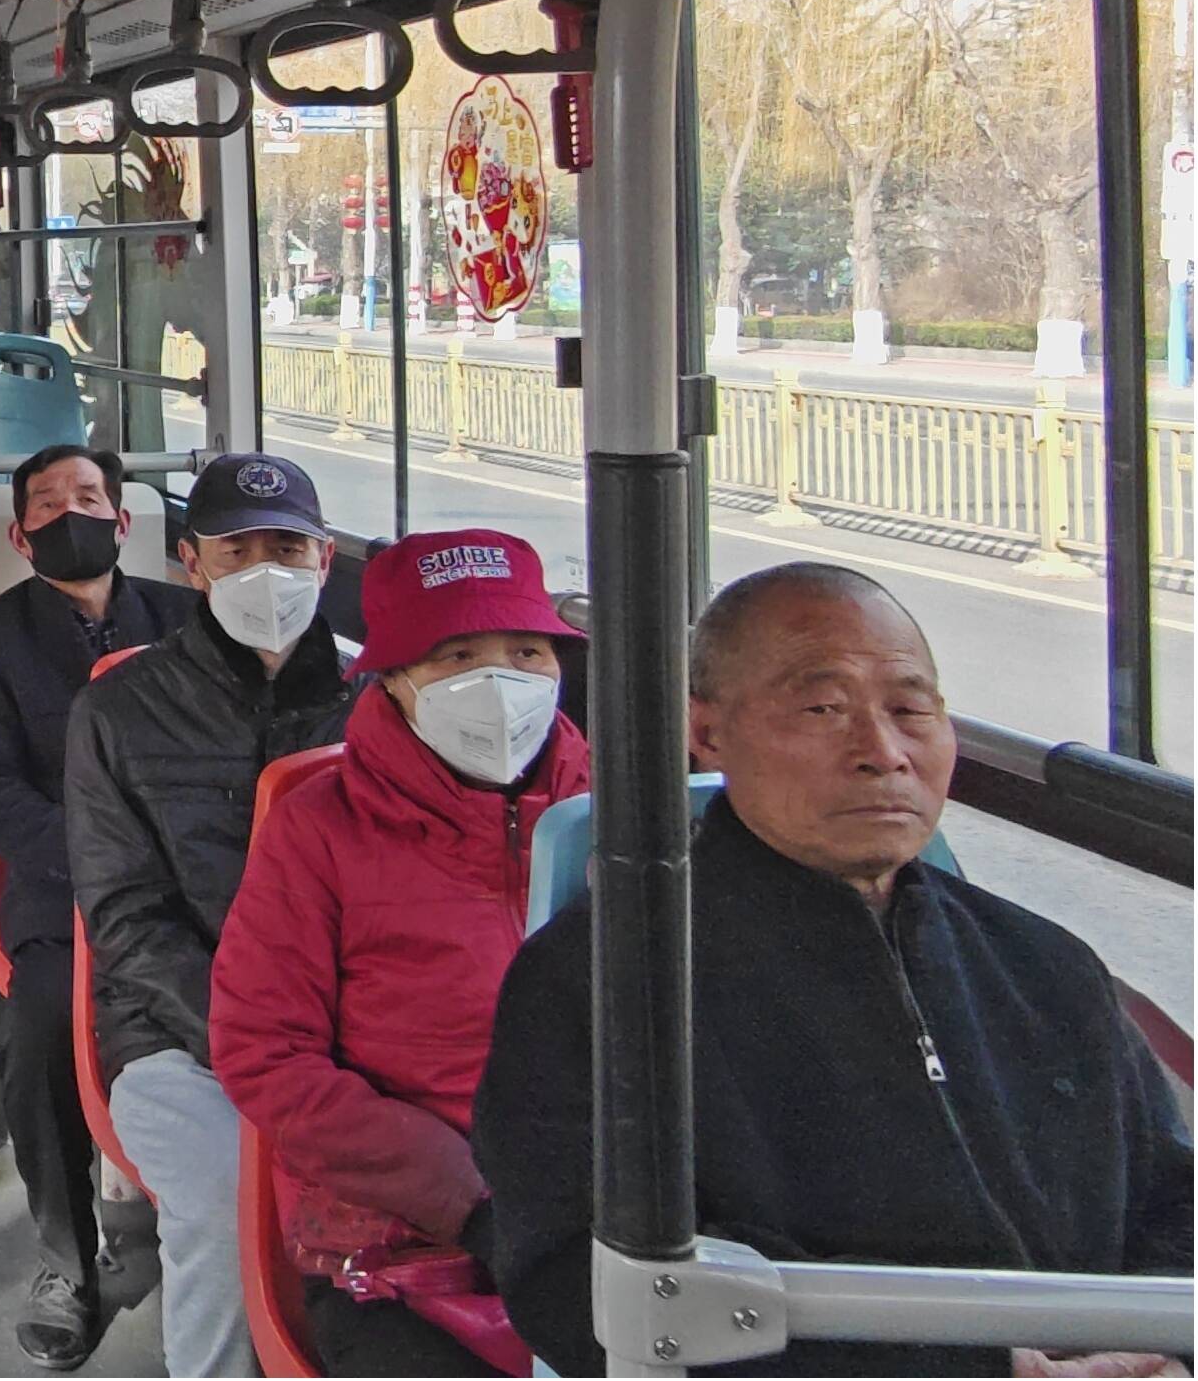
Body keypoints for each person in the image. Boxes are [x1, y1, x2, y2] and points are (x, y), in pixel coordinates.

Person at [474, 563, 1195, 1377]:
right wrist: (978, 1371)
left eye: (909, 710)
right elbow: (573, 1282)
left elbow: (1175, 1200)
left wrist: (1151, 1343)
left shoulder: (1044, 965)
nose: (881, 753)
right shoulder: (605, 979)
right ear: (706, 730)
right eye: (821, 708)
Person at [211, 529, 593, 1378]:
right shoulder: (318, 830)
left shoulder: (611, 816)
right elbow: (264, 1054)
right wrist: (465, 1196)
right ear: (391, 679)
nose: (497, 683)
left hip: (603, 1211)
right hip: (406, 1241)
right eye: (456, 656)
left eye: (524, 652)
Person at [66, 450, 356, 1378]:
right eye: (238, 552)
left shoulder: (378, 702)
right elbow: (126, 918)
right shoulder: (118, 711)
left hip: (353, 1021)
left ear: (324, 558)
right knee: (234, 1196)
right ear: (192, 563)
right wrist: (258, 1040)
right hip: (179, 1037)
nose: (266, 571)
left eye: (288, 548)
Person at [0, 442, 189, 1369]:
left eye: (87, 497)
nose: (69, 513)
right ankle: (65, 1259)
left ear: (121, 521)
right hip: (65, 899)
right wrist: (102, 863)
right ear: (20, 535)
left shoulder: (187, 622)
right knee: (39, 1032)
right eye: (47, 504)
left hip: (192, 889)